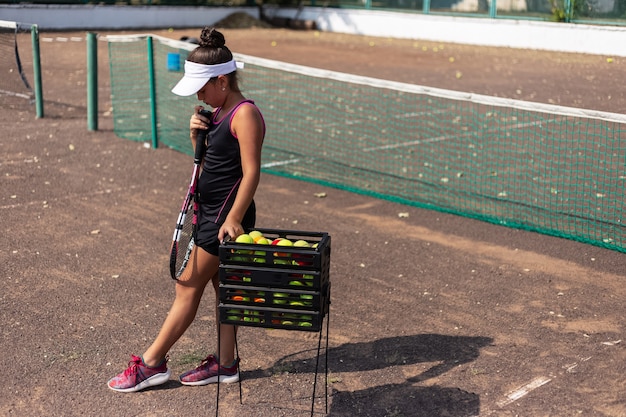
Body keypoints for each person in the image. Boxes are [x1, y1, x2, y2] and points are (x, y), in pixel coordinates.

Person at [108, 27, 266, 393]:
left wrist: (234, 217)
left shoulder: (244, 115)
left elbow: (251, 172)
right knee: (223, 290)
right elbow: (213, 164)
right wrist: (198, 137)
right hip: (211, 213)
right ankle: (226, 366)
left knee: (186, 288)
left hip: (224, 219)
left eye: (203, 87)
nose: (198, 94)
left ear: (223, 81)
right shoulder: (219, 110)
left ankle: (151, 364)